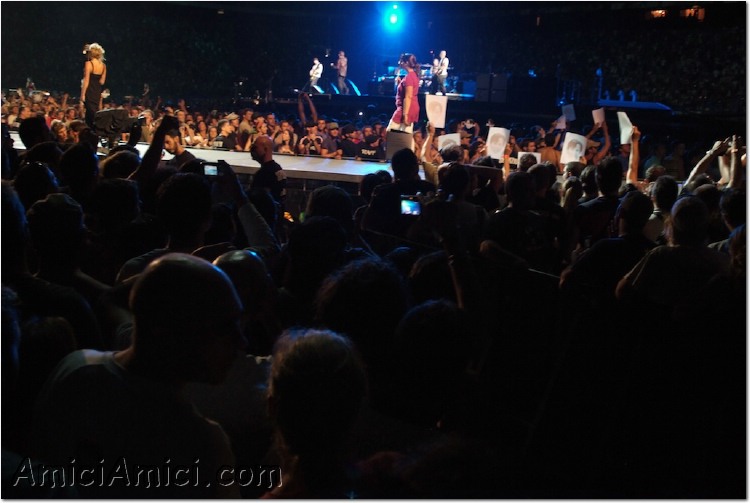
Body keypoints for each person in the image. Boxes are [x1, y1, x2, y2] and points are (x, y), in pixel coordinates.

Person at [387, 53, 420, 134]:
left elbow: (408, 96)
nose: (399, 63)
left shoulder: (409, 77)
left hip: (405, 109)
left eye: (401, 61)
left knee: (390, 132)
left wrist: (405, 115)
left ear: (406, 63)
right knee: (405, 134)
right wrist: (400, 84)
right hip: (410, 107)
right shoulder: (413, 75)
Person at [79, 43, 107, 130]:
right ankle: (94, 130)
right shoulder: (103, 66)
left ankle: (93, 129)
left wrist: (82, 95)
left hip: (90, 91)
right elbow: (102, 82)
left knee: (90, 113)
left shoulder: (88, 64)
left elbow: (86, 81)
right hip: (97, 91)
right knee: (93, 111)